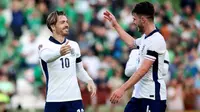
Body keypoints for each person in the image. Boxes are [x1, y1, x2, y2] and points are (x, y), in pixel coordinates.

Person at [104, 1, 167, 112]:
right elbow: (132, 43)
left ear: (143, 19)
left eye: (134, 19)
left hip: (153, 96)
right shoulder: (145, 38)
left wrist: (122, 89)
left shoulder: (156, 39)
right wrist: (115, 25)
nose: (133, 22)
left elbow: (142, 70)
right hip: (139, 95)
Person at [38, 10, 96, 112]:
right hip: (54, 99)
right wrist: (59, 53)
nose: (66, 25)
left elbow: (79, 69)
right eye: (62, 22)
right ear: (53, 27)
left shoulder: (74, 45)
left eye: (67, 21)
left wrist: (89, 80)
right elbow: (46, 57)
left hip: (74, 98)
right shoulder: (44, 45)